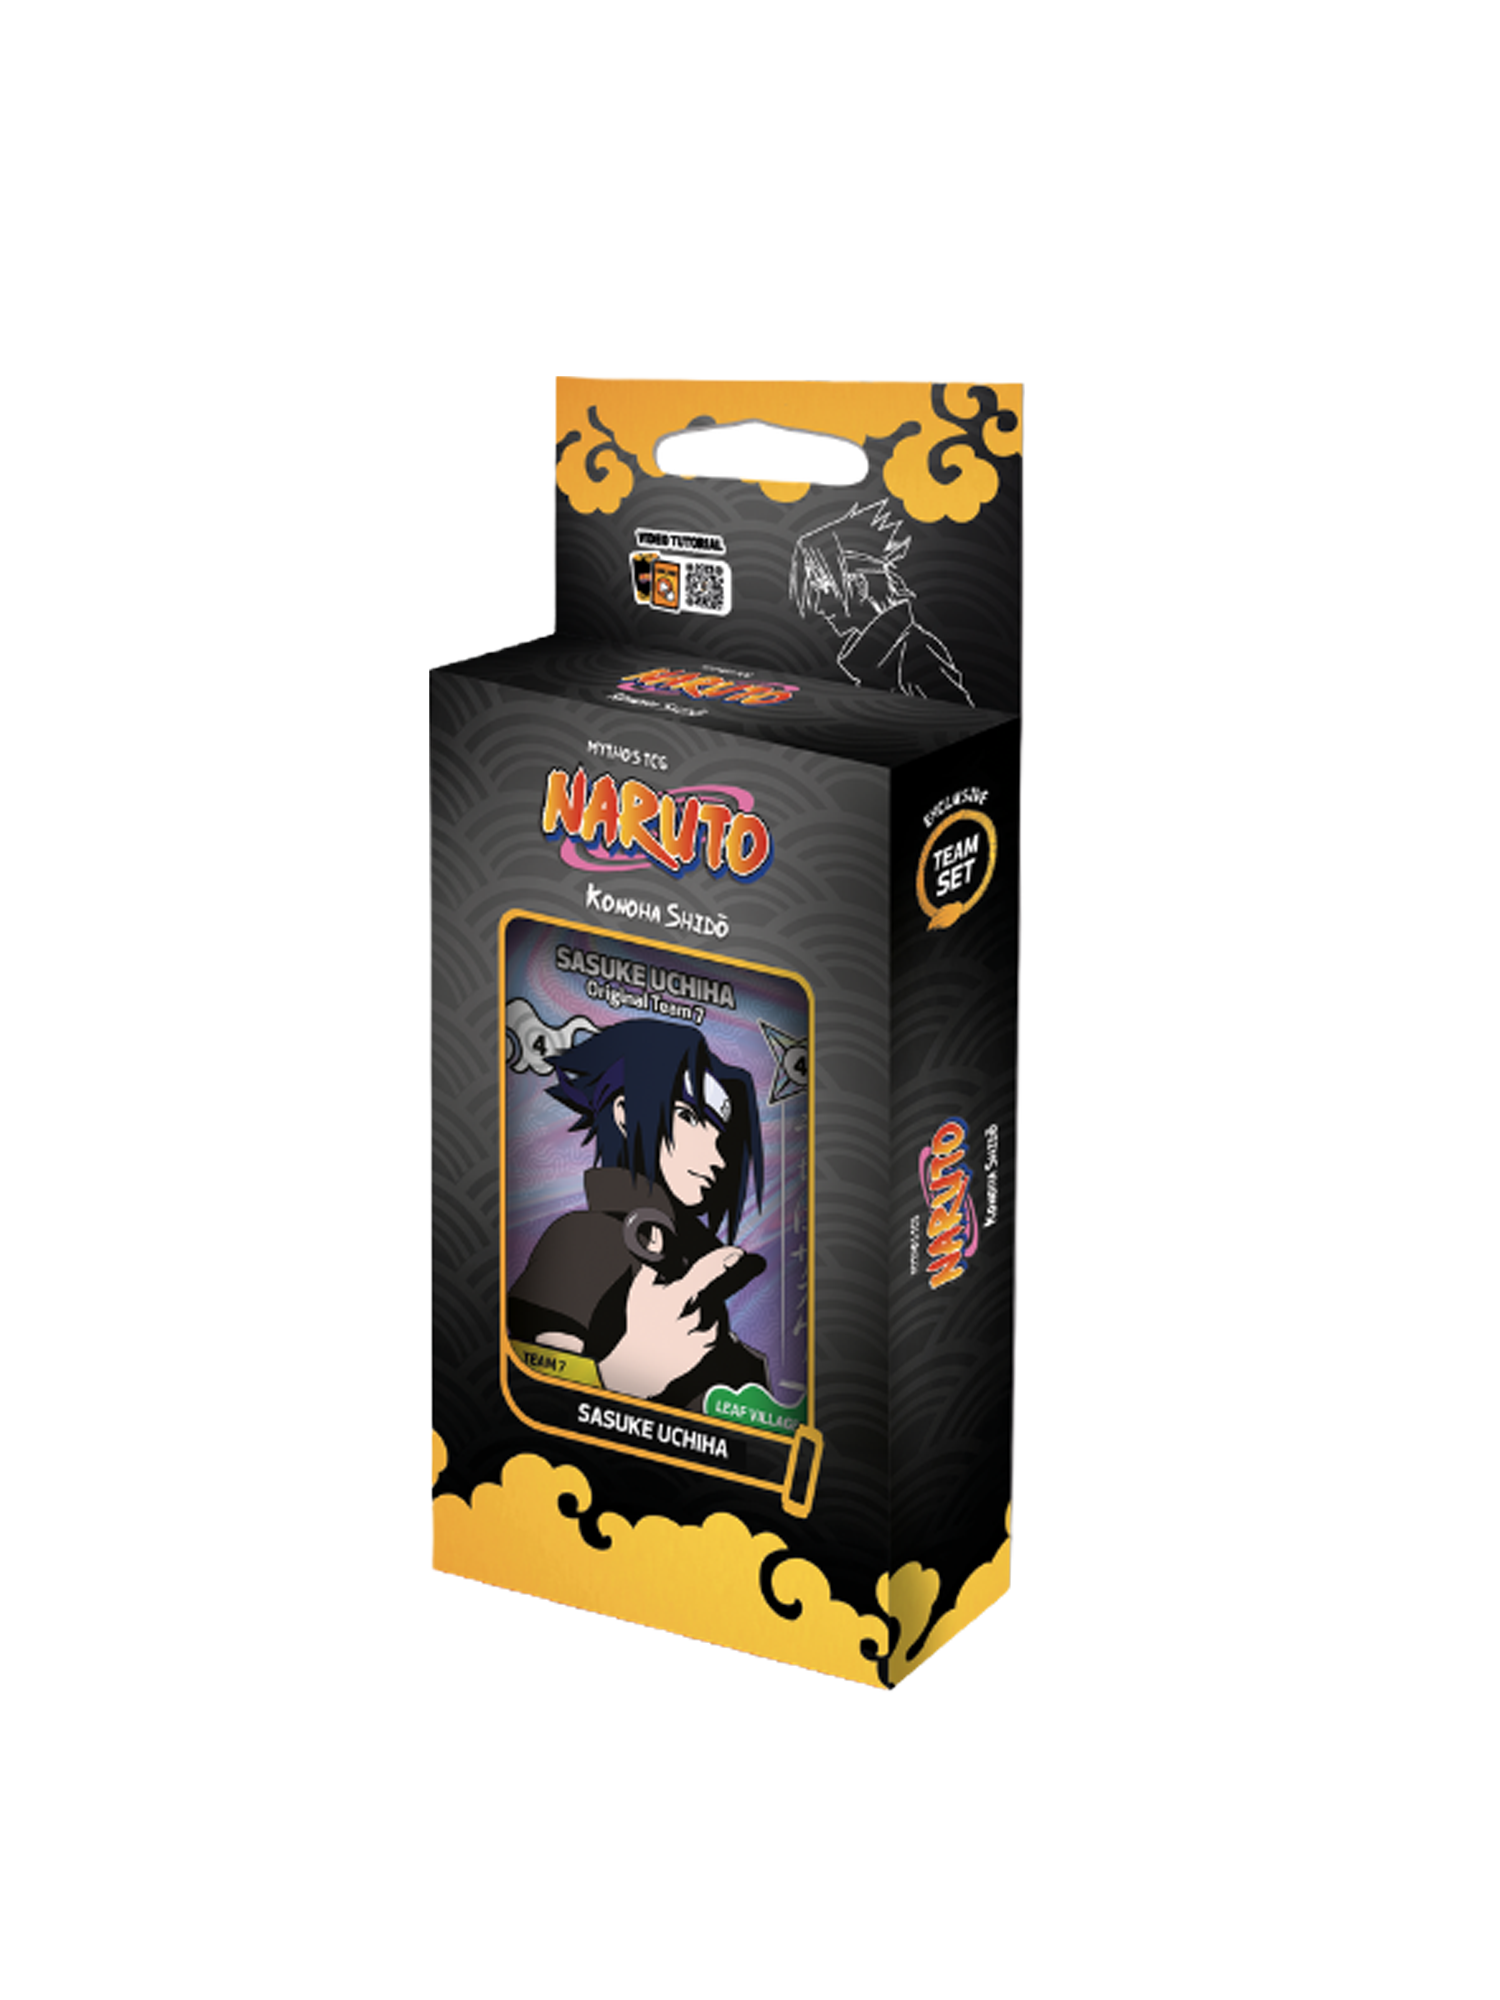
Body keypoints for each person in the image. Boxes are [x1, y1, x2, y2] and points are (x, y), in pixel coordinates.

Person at [507, 1019, 769, 1408]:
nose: (717, 1158)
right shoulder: (583, 1239)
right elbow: (536, 1396)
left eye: (719, 1134)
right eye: (689, 1117)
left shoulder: (697, 1261)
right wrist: (620, 1375)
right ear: (626, 1115)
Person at [788, 497, 972, 703]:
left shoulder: (916, 653)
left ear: (860, 585)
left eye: (824, 588)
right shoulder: (874, 661)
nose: (819, 607)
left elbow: (958, 717)